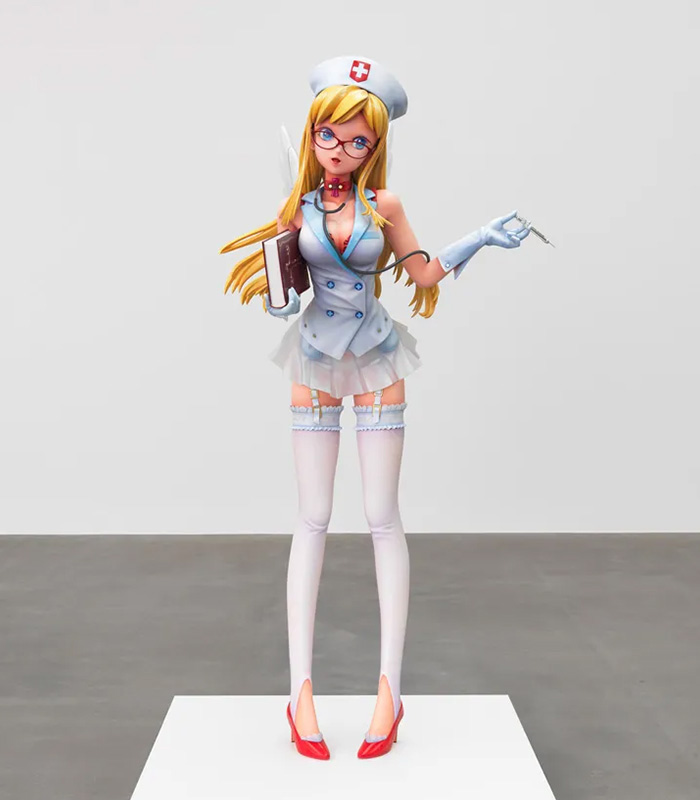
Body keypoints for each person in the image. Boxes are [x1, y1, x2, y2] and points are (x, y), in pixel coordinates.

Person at [220, 55, 530, 760]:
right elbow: (284, 289)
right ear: (313, 134)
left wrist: (479, 239)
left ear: (375, 146)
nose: (341, 149)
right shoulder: (297, 207)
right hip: (313, 362)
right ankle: (299, 692)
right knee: (312, 518)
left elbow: (422, 271)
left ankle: (389, 690)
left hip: (379, 359)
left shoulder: (383, 205)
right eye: (329, 135)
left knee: (382, 517)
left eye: (357, 140)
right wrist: (276, 294)